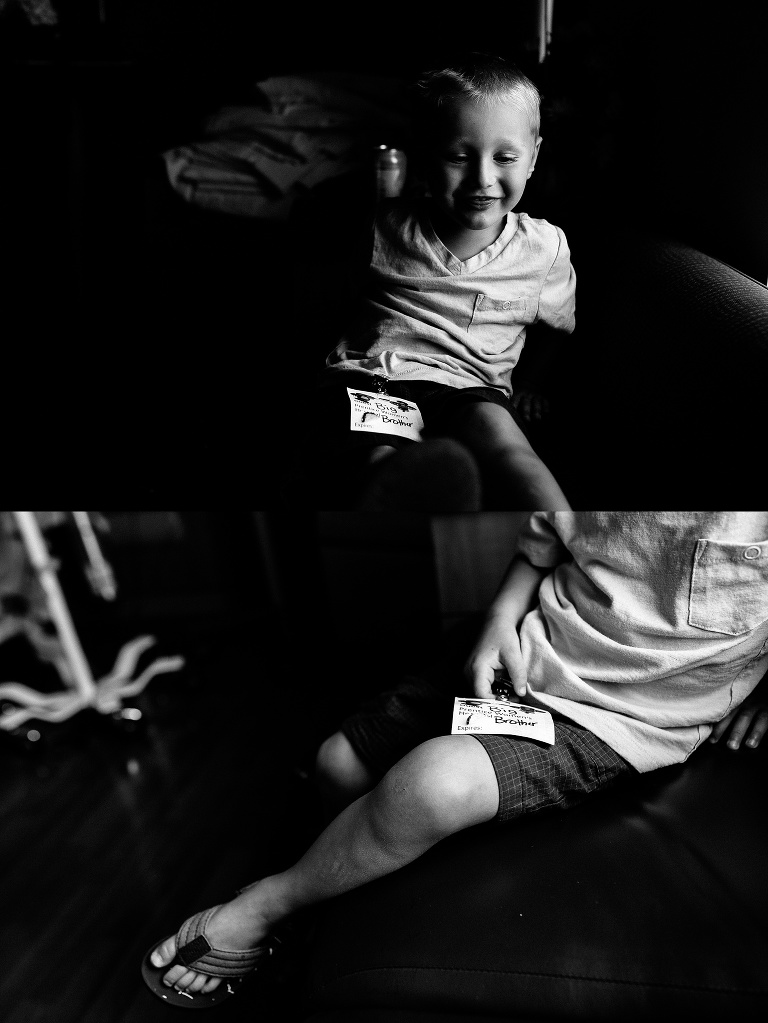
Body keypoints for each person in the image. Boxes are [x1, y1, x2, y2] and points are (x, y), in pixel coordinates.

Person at [143, 512, 768, 1007]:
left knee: (432, 784)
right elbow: (542, 542)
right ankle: (332, 891)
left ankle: (266, 906)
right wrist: (499, 621)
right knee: (337, 761)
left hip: (624, 713)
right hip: (527, 651)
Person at [312, 52, 575, 512]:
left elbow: (556, 327)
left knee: (506, 444)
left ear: (532, 158)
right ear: (425, 160)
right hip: (380, 375)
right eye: (458, 156)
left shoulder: (545, 248)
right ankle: (398, 483)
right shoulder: (385, 227)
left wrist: (532, 383)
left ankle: (563, 532)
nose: (482, 179)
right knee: (374, 446)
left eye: (506, 157)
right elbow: (340, 299)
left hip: (472, 387)